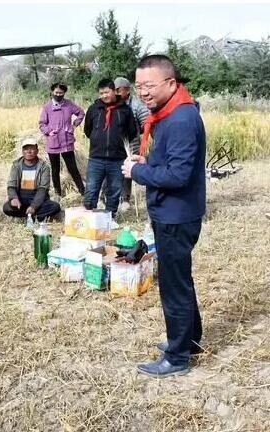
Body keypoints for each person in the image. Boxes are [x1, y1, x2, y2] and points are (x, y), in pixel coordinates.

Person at [122, 54, 206, 377]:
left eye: (150, 85)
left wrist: (138, 173)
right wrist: (148, 163)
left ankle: (177, 356)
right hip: (172, 212)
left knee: (173, 285)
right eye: (139, 86)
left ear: (171, 83)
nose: (143, 92)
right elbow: (170, 163)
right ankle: (189, 340)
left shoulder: (181, 119)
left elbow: (178, 175)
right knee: (180, 279)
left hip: (176, 215)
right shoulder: (172, 112)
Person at [83, 79, 137, 222]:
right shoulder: (94, 109)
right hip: (96, 158)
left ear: (114, 91)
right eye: (101, 93)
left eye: (107, 92)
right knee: (91, 190)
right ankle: (89, 220)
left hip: (117, 159)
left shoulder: (125, 110)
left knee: (114, 191)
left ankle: (109, 219)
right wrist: (97, 139)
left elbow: (132, 132)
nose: (104, 96)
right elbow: (87, 130)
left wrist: (117, 141)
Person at [38, 83, 86, 196]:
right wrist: (48, 131)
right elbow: (42, 124)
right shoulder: (47, 107)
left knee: (72, 168)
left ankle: (83, 192)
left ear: (64, 93)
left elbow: (81, 113)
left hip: (66, 141)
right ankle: (58, 194)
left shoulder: (69, 104)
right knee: (55, 170)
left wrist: (74, 125)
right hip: (53, 141)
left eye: (61, 93)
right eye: (56, 92)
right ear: (52, 92)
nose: (58, 95)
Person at [2, 137, 61, 221]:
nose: (29, 152)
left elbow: (43, 189)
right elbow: (11, 185)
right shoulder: (16, 165)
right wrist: (14, 198)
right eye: (26, 149)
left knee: (55, 207)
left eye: (32, 149)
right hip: (21, 200)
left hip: (37, 200)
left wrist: (34, 206)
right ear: (22, 151)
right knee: (6, 208)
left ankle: (29, 216)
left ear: (37, 151)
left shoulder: (44, 167)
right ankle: (32, 216)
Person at [114, 77, 149, 212]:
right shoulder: (112, 103)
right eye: (114, 90)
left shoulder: (137, 105)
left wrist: (135, 131)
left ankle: (125, 199)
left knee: (127, 170)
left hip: (131, 143)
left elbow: (146, 123)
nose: (116, 93)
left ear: (127, 90)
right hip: (114, 143)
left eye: (119, 90)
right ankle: (107, 197)